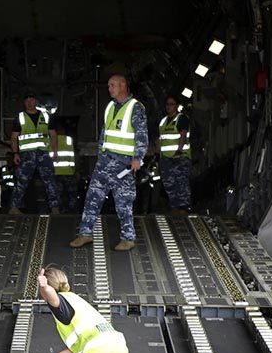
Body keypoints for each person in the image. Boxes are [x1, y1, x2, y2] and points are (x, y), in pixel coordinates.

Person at [70, 75, 148, 251]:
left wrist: (138, 158)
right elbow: (104, 134)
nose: (109, 88)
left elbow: (141, 135)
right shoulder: (110, 107)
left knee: (123, 202)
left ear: (122, 86)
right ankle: (85, 234)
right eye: (109, 85)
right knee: (92, 197)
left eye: (112, 85)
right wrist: (100, 155)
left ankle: (128, 239)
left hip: (123, 165)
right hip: (105, 162)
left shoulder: (135, 108)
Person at [8, 90, 61, 215]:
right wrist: (15, 153)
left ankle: (55, 208)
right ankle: (14, 207)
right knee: (22, 180)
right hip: (26, 155)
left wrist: (55, 151)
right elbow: (14, 137)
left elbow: (53, 135)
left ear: (35, 101)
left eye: (31, 100)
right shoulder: (20, 118)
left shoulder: (46, 116)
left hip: (43, 154)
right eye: (27, 100)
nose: (29, 103)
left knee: (50, 180)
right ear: (24, 103)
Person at [157, 95, 191, 215]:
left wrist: (179, 151)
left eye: (171, 104)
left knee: (181, 182)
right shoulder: (163, 121)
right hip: (166, 158)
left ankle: (184, 207)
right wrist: (158, 153)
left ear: (176, 106)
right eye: (167, 104)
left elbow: (182, 135)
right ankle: (174, 207)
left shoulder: (181, 119)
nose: (169, 107)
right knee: (168, 183)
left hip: (179, 157)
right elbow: (160, 138)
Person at [54, 132, 79, 213]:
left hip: (56, 173)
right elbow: (73, 156)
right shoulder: (69, 139)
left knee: (57, 194)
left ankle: (59, 210)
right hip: (69, 172)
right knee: (72, 194)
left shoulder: (49, 140)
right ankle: (72, 210)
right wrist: (76, 171)